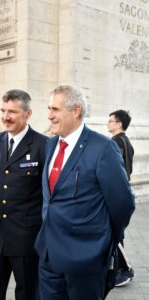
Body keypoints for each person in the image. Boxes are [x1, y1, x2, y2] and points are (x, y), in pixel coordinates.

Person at [34, 85, 135, 300]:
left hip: (85, 259)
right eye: (48, 108)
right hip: (48, 256)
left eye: (55, 109)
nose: (49, 115)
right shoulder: (51, 145)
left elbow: (123, 204)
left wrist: (103, 242)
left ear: (76, 110)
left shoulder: (103, 148)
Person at [0, 89, 47, 300]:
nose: (5, 117)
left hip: (26, 238)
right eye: (3, 110)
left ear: (28, 114)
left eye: (12, 111)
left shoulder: (43, 145)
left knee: (28, 293)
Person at [108, 109, 135, 287]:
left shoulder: (115, 142)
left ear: (119, 124)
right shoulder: (126, 142)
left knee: (116, 236)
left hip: (115, 195)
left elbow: (113, 172)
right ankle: (121, 270)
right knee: (116, 234)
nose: (108, 123)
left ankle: (125, 270)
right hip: (122, 193)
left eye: (111, 121)